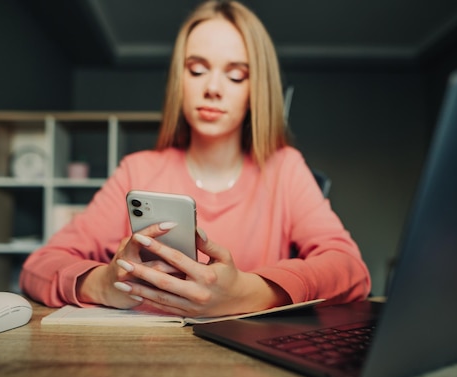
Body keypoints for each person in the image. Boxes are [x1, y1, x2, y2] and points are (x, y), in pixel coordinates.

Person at [19, 0, 370, 317]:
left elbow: (350, 269)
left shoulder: (285, 169)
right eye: (197, 70)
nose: (212, 87)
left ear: (255, 90)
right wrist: (105, 284)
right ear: (179, 81)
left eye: (235, 75)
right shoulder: (137, 170)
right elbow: (39, 267)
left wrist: (254, 292)